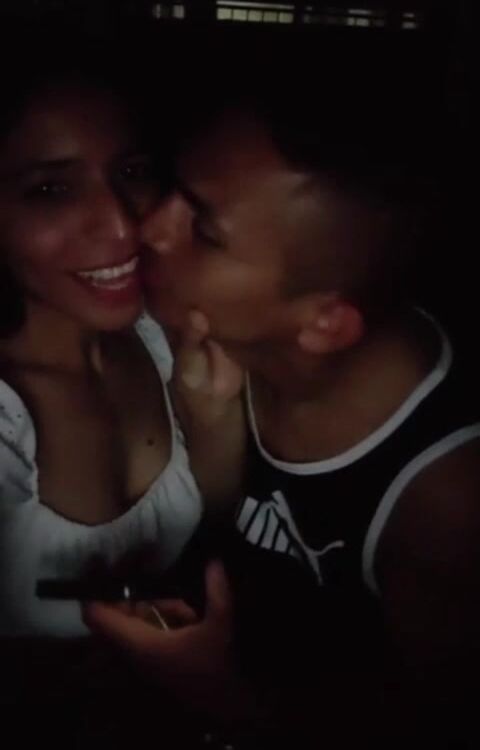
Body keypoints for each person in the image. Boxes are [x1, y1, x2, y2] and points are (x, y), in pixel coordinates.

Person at [86, 81, 480, 747]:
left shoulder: (446, 502)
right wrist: (211, 427)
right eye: (173, 188)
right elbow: (224, 528)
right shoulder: (228, 341)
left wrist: (224, 697)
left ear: (324, 323)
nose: (146, 226)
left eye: (202, 228)